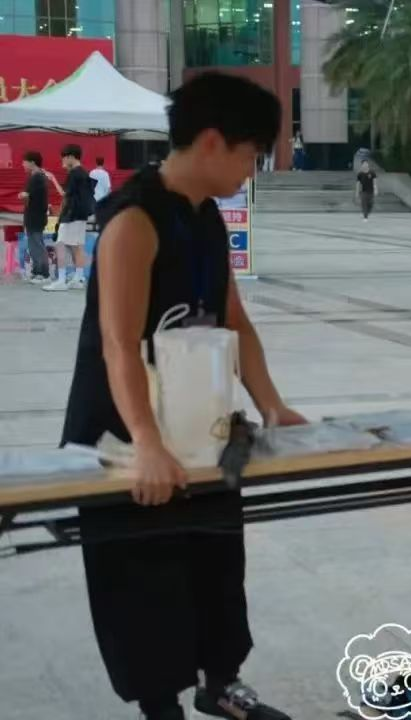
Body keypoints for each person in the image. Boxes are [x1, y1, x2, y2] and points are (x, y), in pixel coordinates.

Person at [61, 72, 304, 720]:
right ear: (213, 142)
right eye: (251, 155)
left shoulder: (206, 218)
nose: (251, 171)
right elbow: (118, 344)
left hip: (202, 423)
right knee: (143, 575)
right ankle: (159, 703)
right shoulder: (134, 221)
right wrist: (145, 442)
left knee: (217, 554)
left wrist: (272, 404)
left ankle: (221, 682)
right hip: (124, 429)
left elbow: (235, 321)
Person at [42, 144, 95, 292]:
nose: (63, 161)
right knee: (77, 246)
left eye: (64, 158)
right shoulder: (84, 173)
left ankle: (61, 280)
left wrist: (53, 179)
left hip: (71, 215)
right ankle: (78, 278)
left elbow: (64, 194)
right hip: (81, 215)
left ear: (71, 157)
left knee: (60, 244)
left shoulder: (74, 174)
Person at [18, 150, 51, 284]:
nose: (23, 164)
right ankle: (38, 271)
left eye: (24, 162)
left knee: (36, 245)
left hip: (35, 216)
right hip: (35, 215)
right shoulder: (39, 176)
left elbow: (26, 195)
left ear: (32, 162)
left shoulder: (37, 177)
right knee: (35, 244)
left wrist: (21, 195)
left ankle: (42, 273)